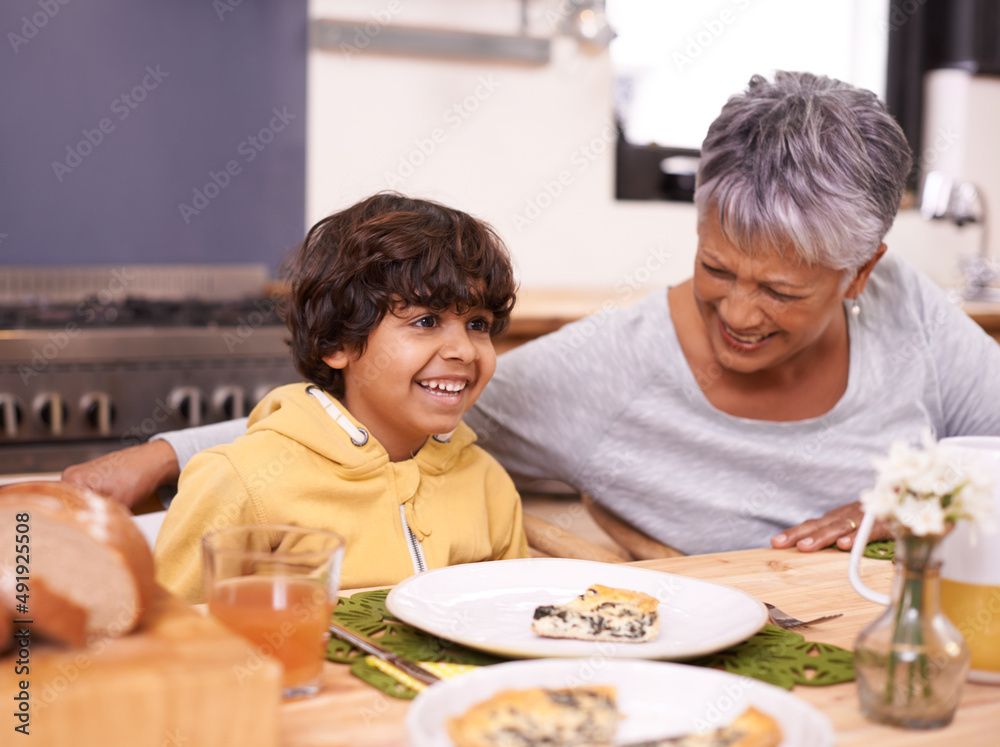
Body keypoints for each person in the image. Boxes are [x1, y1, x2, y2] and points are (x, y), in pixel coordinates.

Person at [64, 72, 1000, 557]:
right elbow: (353, 424)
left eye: (784, 292)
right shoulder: (611, 371)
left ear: (862, 269)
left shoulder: (911, 314)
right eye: (717, 267)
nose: (740, 313)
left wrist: (925, 496)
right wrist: (159, 456)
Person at [148, 193, 528, 603]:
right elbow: (167, 641)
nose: (465, 351)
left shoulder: (488, 483)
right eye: (425, 321)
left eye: (477, 323)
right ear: (338, 342)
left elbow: (511, 626)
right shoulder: (241, 481)